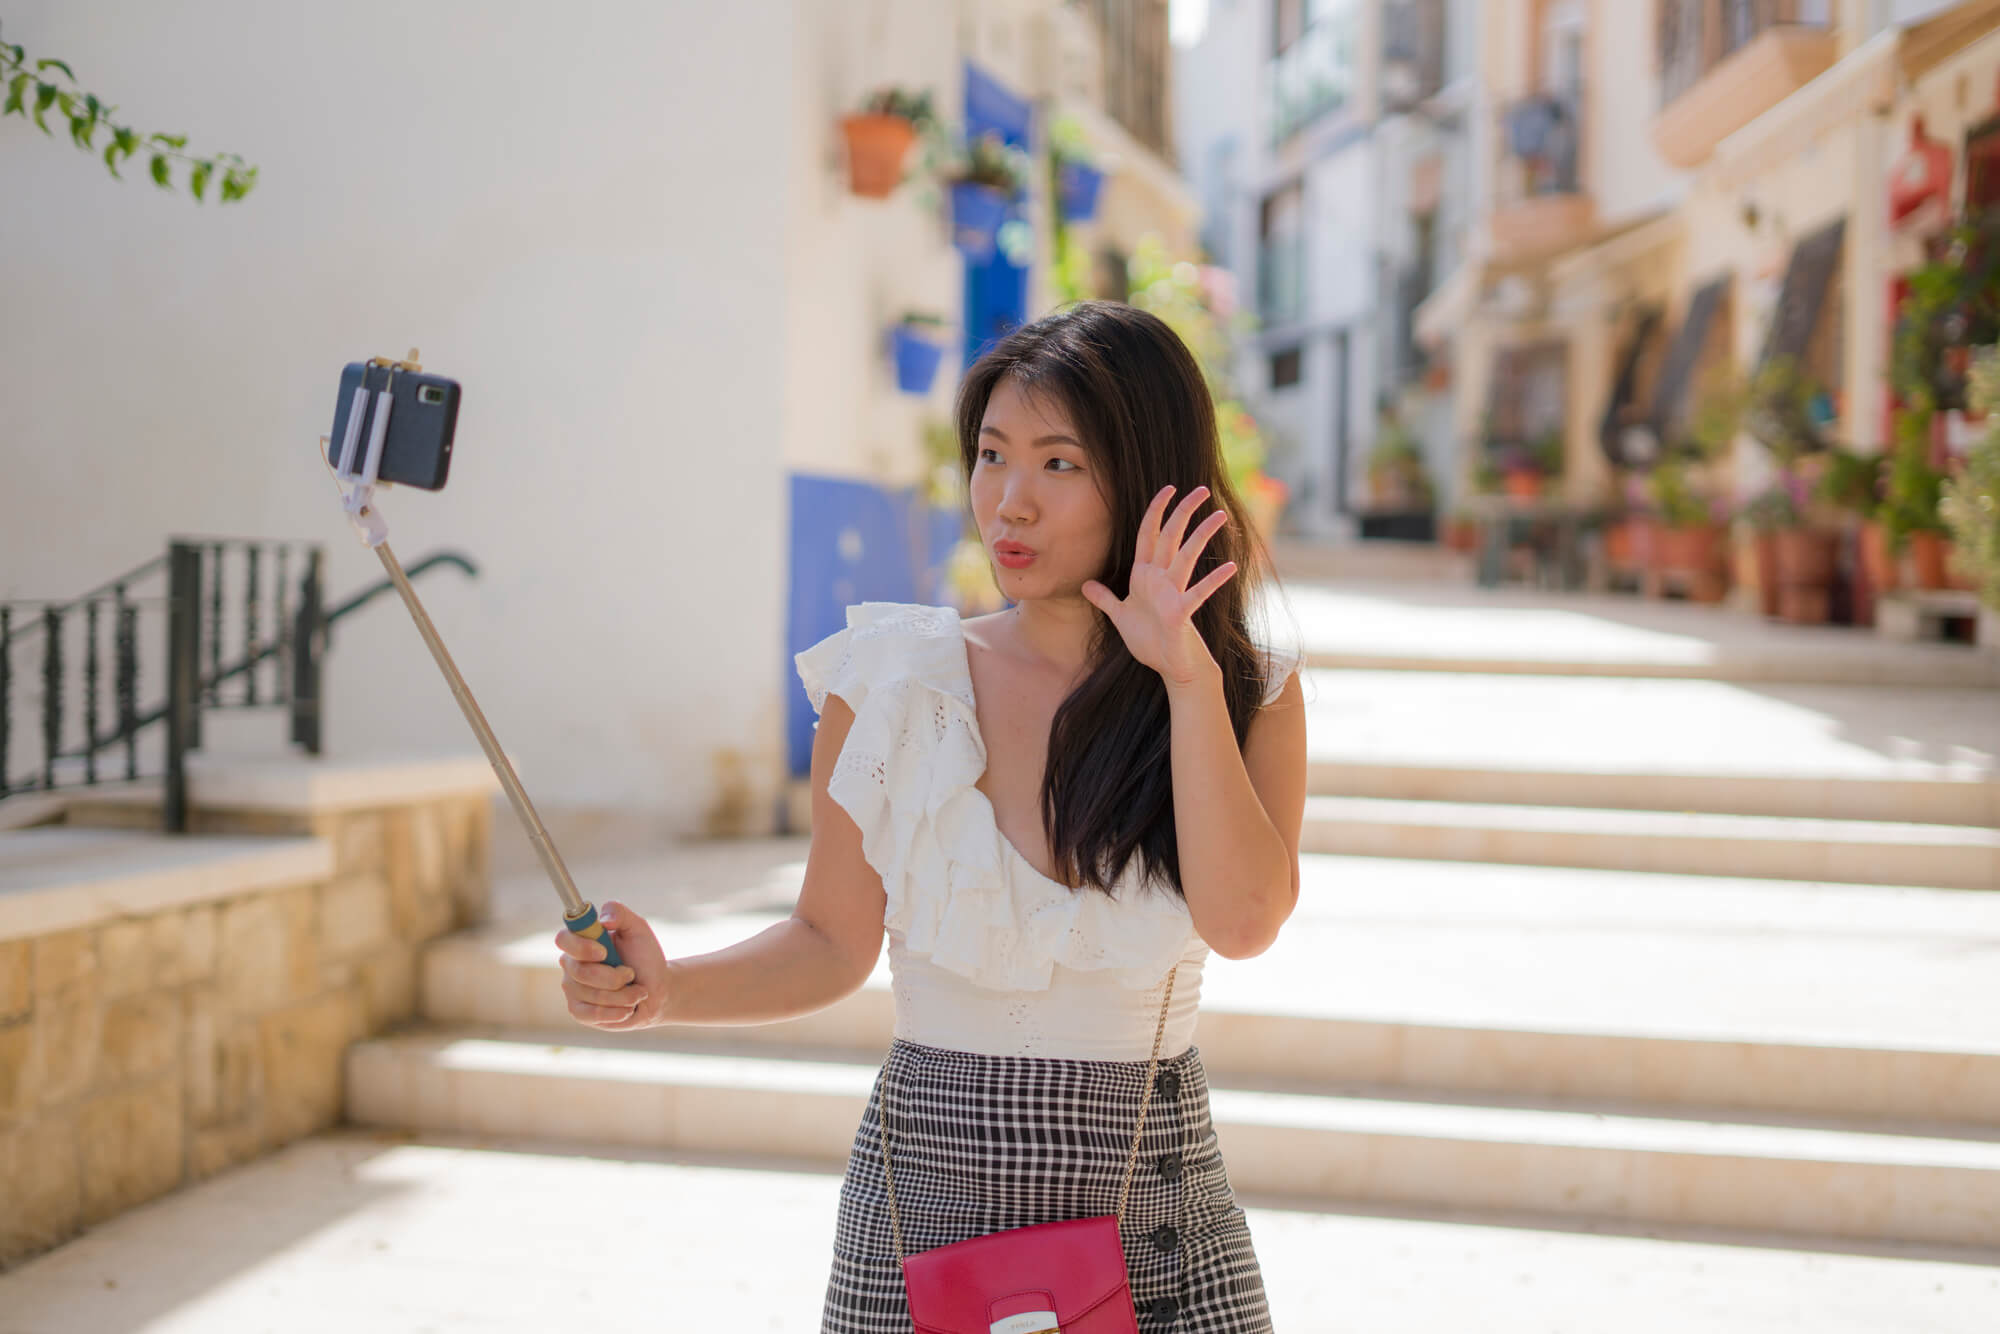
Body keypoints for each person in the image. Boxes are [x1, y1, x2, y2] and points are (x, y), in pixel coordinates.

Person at [554, 300, 1307, 1330]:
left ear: (1146, 478)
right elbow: (827, 939)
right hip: (922, 1226)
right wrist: (664, 986)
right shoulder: (897, 681)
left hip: (1157, 1231)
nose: (1009, 500)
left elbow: (1243, 920)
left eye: (1059, 463)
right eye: (991, 454)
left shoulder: (1238, 688)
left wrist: (1182, 681)